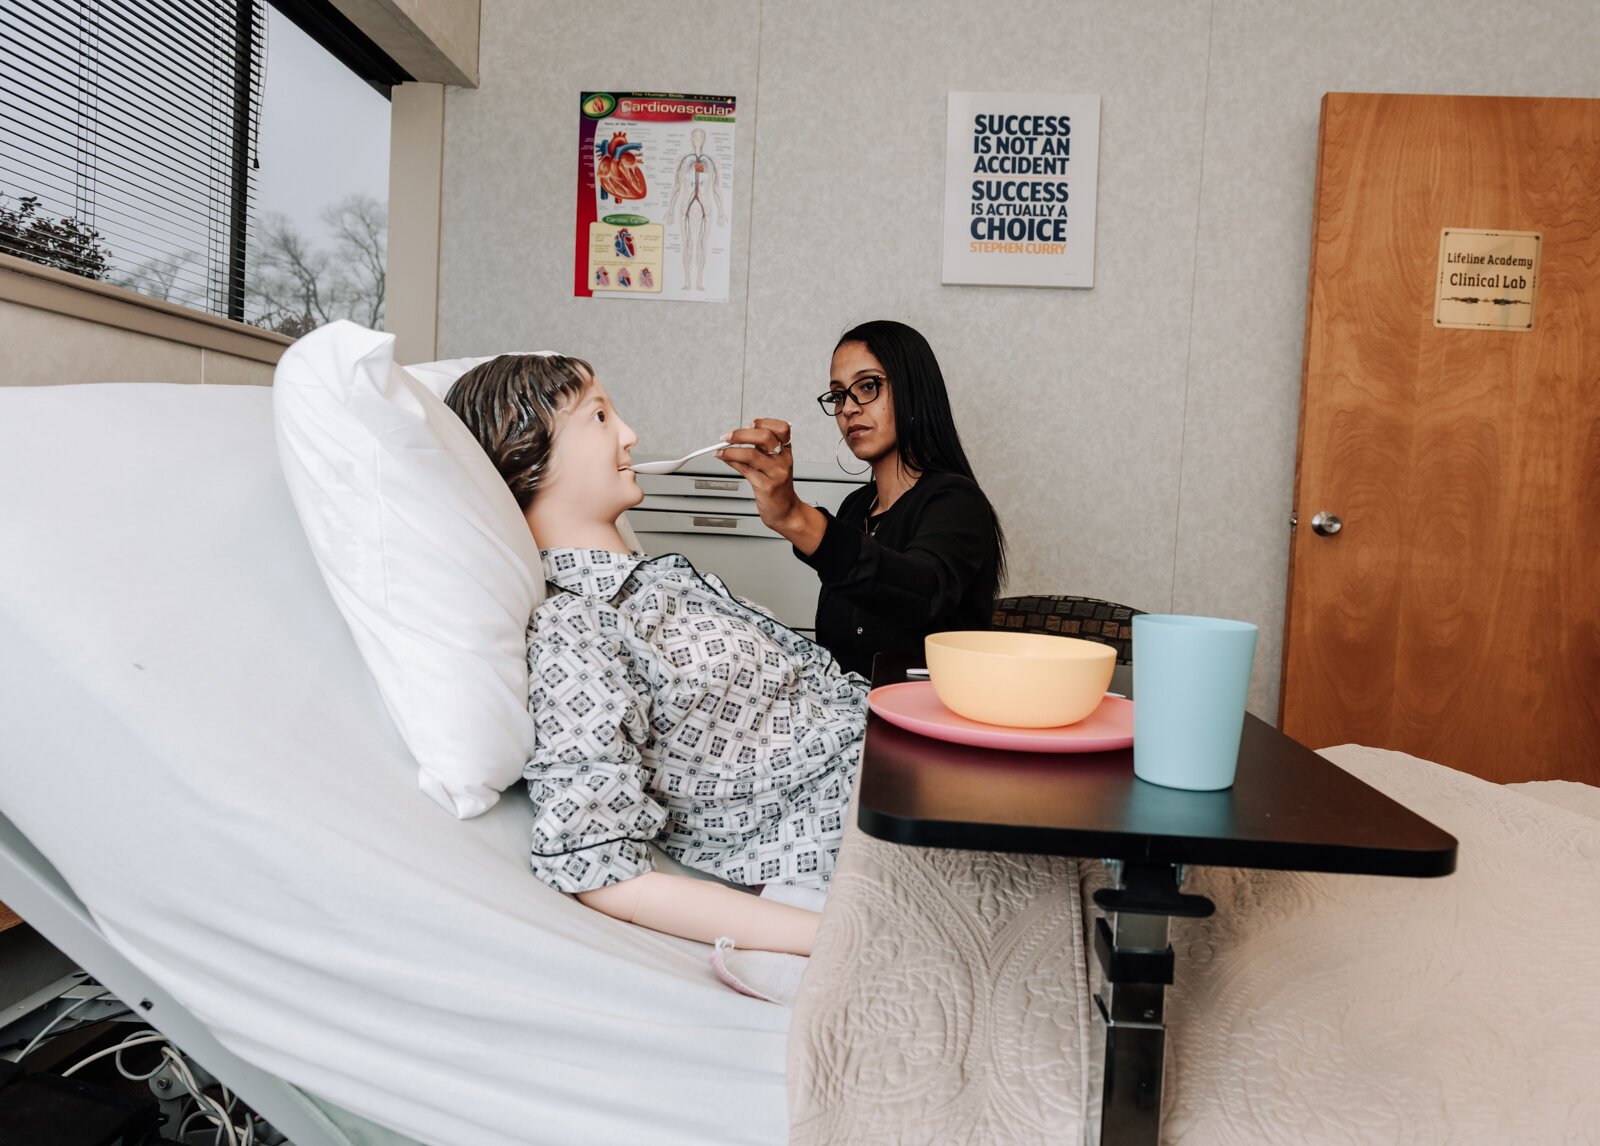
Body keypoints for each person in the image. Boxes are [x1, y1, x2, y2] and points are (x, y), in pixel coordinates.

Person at [445, 353, 866, 959]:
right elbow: (599, 868)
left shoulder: (660, 583)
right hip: (860, 832)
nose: (630, 435)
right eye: (599, 416)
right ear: (525, 453)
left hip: (897, 764)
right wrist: (840, 938)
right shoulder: (578, 626)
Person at [718, 320, 1006, 678]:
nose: (849, 408)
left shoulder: (957, 502)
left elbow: (922, 595)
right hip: (848, 719)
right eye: (839, 394)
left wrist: (795, 517)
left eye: (868, 386)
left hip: (925, 721)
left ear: (915, 391)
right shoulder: (855, 508)